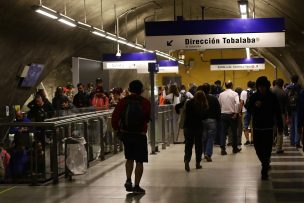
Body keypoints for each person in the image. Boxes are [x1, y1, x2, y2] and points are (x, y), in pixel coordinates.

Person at [111, 80, 151, 194]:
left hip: (127, 134)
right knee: (139, 161)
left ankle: (128, 180)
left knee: (129, 158)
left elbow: (115, 117)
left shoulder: (123, 101)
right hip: (140, 135)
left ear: (129, 89)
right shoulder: (145, 102)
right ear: (141, 90)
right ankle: (137, 186)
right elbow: (148, 117)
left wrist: (117, 130)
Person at [247, 76, 283, 180]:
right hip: (257, 127)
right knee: (258, 148)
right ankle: (265, 162)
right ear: (257, 87)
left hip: (268, 127)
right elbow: (249, 109)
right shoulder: (254, 97)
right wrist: (254, 106)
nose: (261, 88)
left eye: (263, 86)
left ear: (267, 86)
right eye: (259, 87)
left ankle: (264, 170)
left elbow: (277, 112)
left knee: (267, 149)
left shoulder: (272, 97)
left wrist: (280, 126)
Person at [183, 90, 208, 171]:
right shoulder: (202, 105)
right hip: (198, 127)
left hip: (188, 126)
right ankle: (197, 163)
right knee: (198, 145)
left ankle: (187, 161)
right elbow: (204, 117)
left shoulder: (189, 103)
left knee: (188, 145)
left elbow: (183, 111)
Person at [198, 84, 221, 162]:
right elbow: (218, 109)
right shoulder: (214, 98)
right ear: (209, 90)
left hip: (202, 120)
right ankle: (207, 154)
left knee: (204, 138)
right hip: (212, 120)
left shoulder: (200, 99)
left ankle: (204, 153)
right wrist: (218, 119)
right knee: (210, 138)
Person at [218, 81, 241, 155]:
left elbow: (220, 104)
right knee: (234, 132)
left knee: (223, 132)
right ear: (232, 86)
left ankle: (222, 149)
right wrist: (236, 113)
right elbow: (237, 103)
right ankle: (234, 148)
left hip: (223, 114)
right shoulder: (235, 94)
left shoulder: (221, 94)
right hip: (232, 115)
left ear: (225, 86)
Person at [285, 75, 302, 148]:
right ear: (297, 80)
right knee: (297, 125)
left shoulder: (287, 88)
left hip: (289, 109)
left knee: (291, 126)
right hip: (298, 109)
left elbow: (285, 98)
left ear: (291, 79)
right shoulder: (300, 88)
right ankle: (297, 142)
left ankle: (292, 141)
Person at [272, 78, 288, 153]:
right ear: (282, 84)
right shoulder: (283, 92)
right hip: (280, 113)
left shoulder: (270, 90)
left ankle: (271, 143)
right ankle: (279, 148)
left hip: (271, 113)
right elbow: (286, 105)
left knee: (272, 128)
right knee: (280, 131)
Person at [240, 81, 255, 145]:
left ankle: (247, 140)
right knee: (253, 126)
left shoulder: (243, 92)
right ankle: (253, 140)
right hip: (254, 112)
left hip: (245, 111)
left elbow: (241, 102)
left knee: (245, 126)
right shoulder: (255, 92)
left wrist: (239, 111)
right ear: (253, 86)